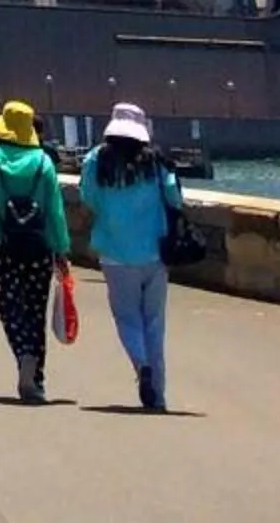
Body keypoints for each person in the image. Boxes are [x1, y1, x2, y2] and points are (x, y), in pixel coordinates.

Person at [77, 102, 185, 411]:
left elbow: (89, 198)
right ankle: (159, 396)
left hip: (114, 252)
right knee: (154, 322)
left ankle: (141, 366)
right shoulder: (156, 161)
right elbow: (174, 198)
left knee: (126, 318)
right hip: (155, 252)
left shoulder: (96, 160)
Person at [0, 101, 69, 402]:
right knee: (35, 311)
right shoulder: (43, 161)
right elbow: (55, 210)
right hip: (39, 245)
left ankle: (23, 354)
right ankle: (36, 380)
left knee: (10, 308)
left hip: (4, 244)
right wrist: (61, 249)